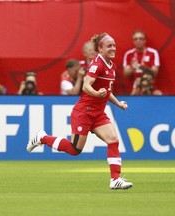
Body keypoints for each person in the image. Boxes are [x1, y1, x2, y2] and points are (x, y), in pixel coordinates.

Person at [27, 33, 133, 190]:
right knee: (74, 150)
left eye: (114, 45)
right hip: (84, 112)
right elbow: (86, 86)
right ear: (100, 48)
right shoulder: (97, 64)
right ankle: (43, 138)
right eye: (109, 45)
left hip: (98, 113)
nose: (113, 48)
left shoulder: (112, 66)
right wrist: (97, 94)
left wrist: (118, 104)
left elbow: (106, 90)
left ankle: (115, 179)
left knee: (113, 140)